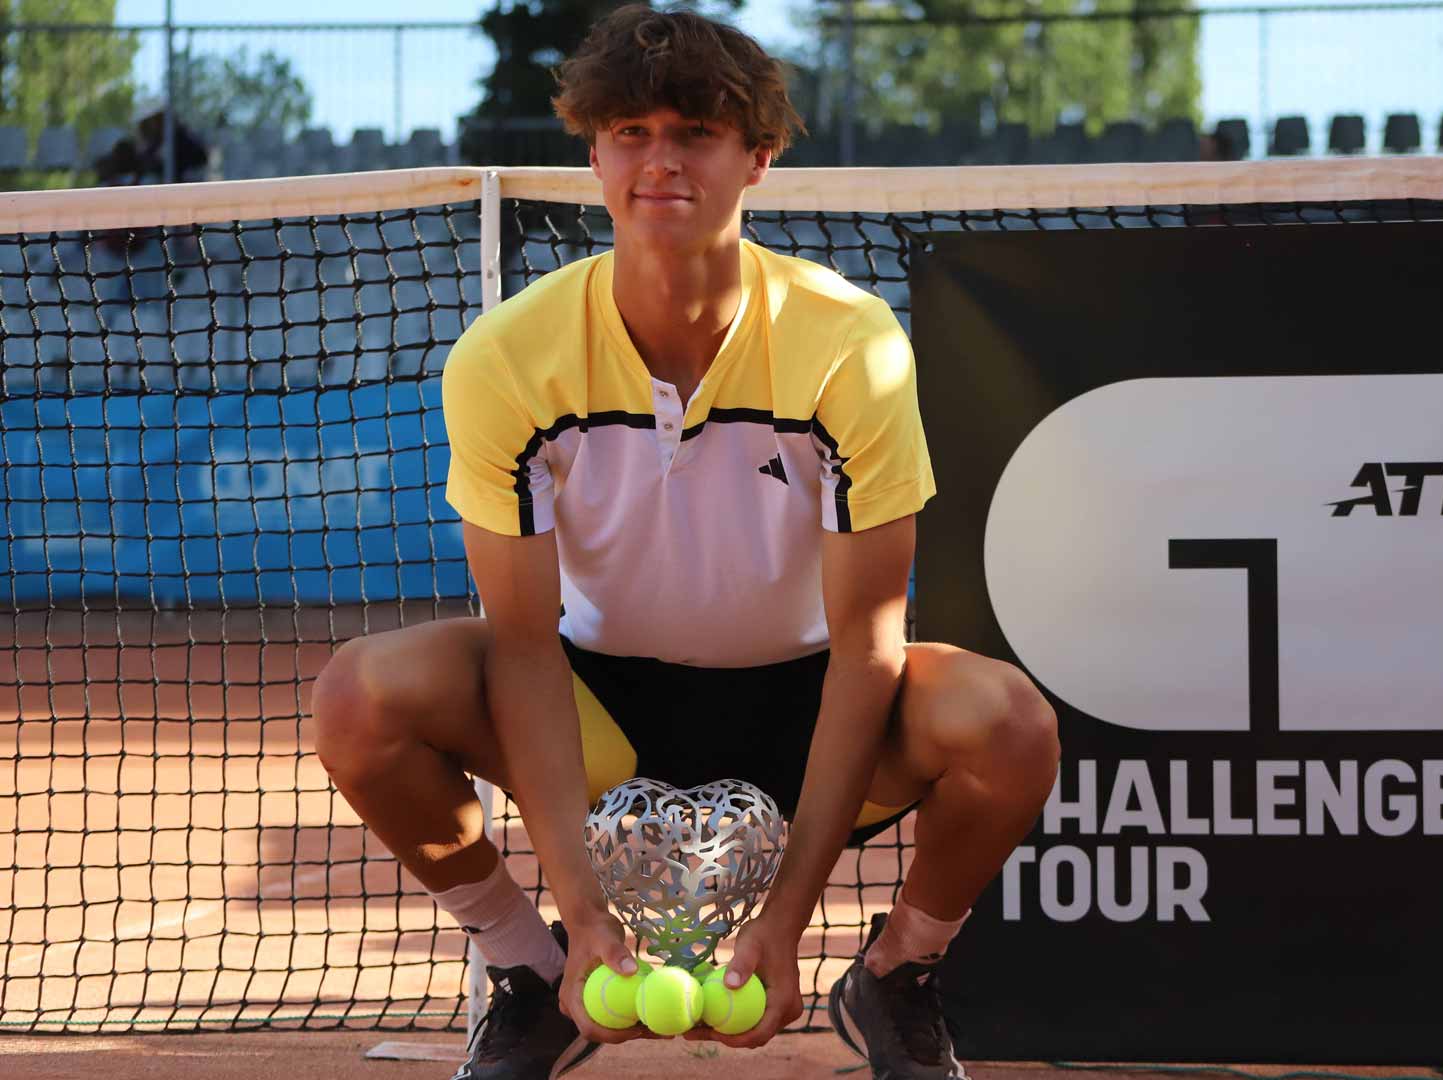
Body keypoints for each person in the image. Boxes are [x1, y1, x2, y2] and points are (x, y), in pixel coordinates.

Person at [310, 7, 1058, 1080]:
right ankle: (531, 980)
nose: (659, 160)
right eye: (629, 132)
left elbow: (868, 646)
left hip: (810, 708)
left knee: (1010, 726)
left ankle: (894, 975)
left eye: (694, 133)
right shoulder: (507, 359)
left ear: (759, 154)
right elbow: (521, 645)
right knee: (357, 698)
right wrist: (577, 914)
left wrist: (789, 924)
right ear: (594, 149)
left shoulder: (852, 347)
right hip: (597, 709)